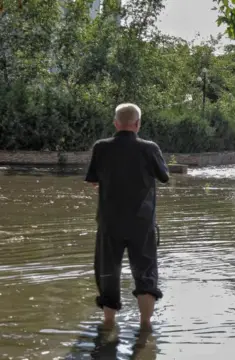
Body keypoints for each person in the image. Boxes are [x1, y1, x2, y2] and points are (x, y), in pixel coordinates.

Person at [84, 103, 170, 331]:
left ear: (115, 123)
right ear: (138, 124)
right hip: (141, 224)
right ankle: (145, 328)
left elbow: (93, 180)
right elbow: (164, 177)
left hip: (109, 223)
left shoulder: (100, 147)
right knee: (146, 273)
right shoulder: (150, 148)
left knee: (107, 271)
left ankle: (109, 323)